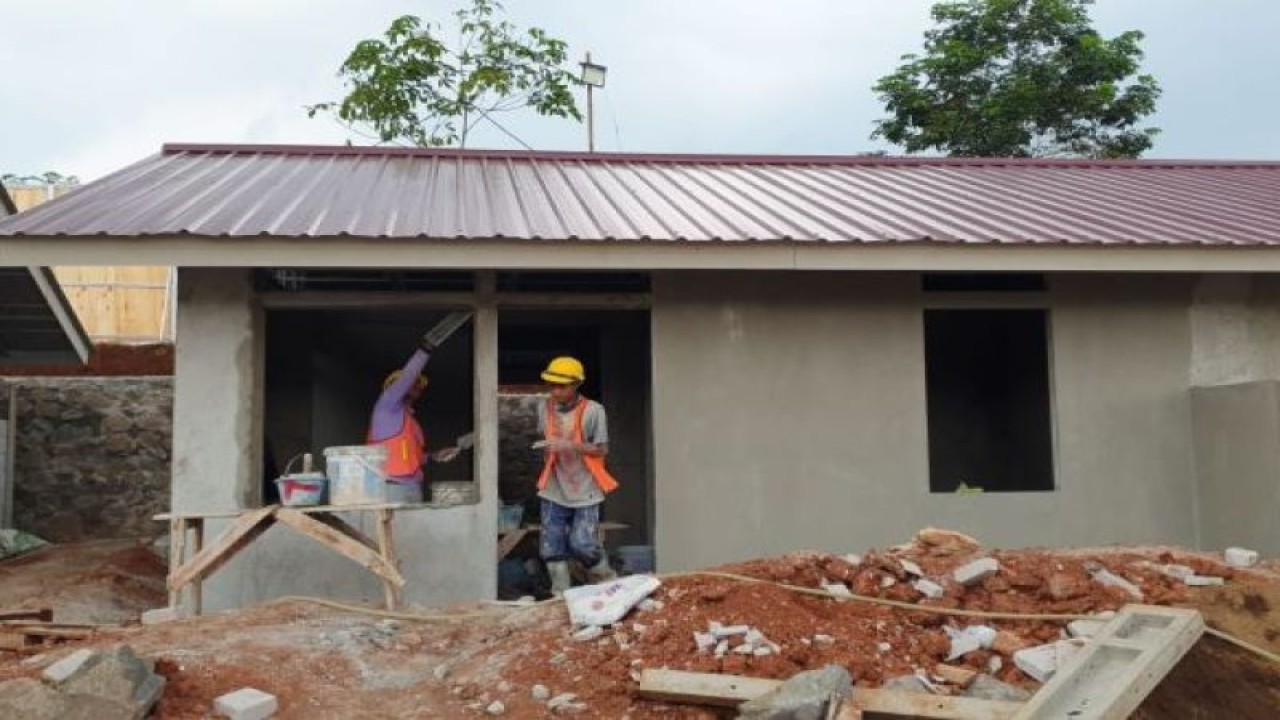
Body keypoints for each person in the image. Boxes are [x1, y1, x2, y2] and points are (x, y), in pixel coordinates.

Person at [535, 356, 620, 596]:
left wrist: (569, 446)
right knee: (551, 545)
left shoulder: (593, 411)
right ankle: (560, 594)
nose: (555, 391)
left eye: (561, 386)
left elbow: (601, 449)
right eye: (551, 385)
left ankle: (606, 581)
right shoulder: (544, 408)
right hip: (554, 487)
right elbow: (547, 444)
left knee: (582, 543)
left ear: (576, 385)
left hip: (586, 488)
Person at [367, 331, 462, 493]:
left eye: (418, 385)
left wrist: (433, 456)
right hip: (388, 486)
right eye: (412, 383)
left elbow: (409, 455)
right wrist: (425, 349)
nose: (416, 386)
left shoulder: (408, 419)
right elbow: (407, 378)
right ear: (392, 387)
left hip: (410, 486)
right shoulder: (385, 406)